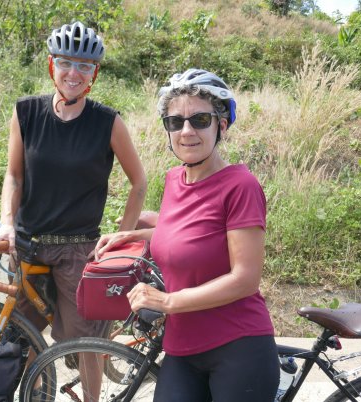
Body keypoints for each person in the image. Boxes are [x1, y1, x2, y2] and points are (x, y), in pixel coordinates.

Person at [95, 68, 279, 402]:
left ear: (222, 125)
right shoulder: (174, 179)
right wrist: (132, 236)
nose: (187, 131)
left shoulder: (241, 186)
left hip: (238, 347)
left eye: (200, 120)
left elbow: (245, 279)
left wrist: (167, 301)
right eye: (175, 121)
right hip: (182, 348)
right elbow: (187, 234)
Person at [0, 21, 146, 401]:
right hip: (27, 245)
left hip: (78, 250)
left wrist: (121, 235)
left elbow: (139, 182)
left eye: (84, 66)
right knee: (24, 334)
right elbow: (14, 175)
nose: (73, 73)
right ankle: (34, 396)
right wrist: (7, 223)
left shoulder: (107, 122)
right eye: (65, 62)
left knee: (86, 342)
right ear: (52, 65)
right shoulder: (26, 112)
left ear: (95, 73)